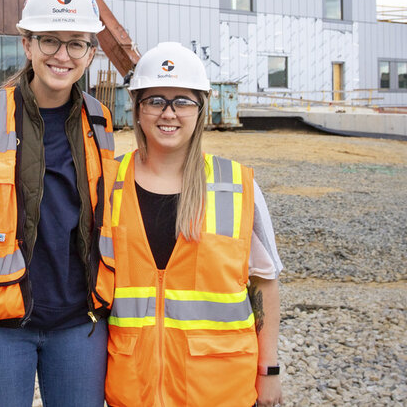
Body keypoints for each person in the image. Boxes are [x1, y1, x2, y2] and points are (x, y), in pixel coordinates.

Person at [0, 0, 118, 407]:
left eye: (77, 43)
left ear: (91, 52)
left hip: (80, 322)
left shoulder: (100, 121)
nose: (62, 55)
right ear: (27, 44)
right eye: (49, 41)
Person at [100, 42, 283, 407]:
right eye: (155, 101)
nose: (169, 113)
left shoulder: (237, 185)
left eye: (182, 101)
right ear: (136, 109)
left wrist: (269, 371)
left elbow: (265, 281)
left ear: (201, 110)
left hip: (219, 390)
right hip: (133, 390)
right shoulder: (107, 181)